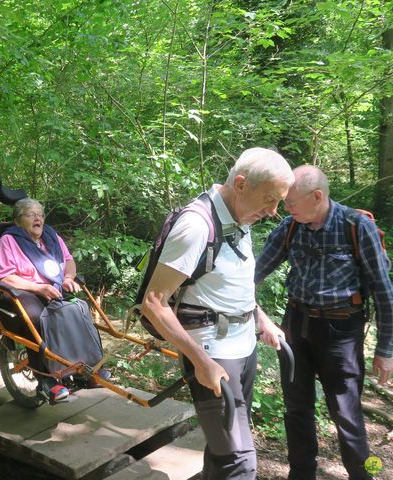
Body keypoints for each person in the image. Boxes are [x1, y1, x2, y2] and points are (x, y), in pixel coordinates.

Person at [141, 147, 293, 479]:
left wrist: (261, 318)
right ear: (241, 184)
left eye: (278, 202)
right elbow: (154, 303)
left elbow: (231, 283)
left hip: (243, 347)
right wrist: (201, 362)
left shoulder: (239, 217)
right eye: (269, 199)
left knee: (222, 450)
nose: (273, 211)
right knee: (238, 460)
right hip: (212, 354)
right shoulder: (196, 226)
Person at [255, 165, 393, 480]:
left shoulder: (356, 227)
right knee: (296, 408)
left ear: (317, 196)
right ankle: (301, 474)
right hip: (296, 326)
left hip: (342, 332)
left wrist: (385, 349)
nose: (284, 208)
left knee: (348, 415)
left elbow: (385, 293)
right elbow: (254, 273)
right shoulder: (291, 227)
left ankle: (366, 474)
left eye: (290, 202)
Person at [0, 198, 104, 403]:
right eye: (30, 214)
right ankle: (47, 382)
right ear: (18, 221)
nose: (38, 218)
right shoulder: (9, 240)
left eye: (40, 214)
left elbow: (68, 260)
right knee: (37, 319)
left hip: (53, 288)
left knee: (78, 309)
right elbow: (4, 275)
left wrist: (68, 278)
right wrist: (38, 287)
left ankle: (86, 369)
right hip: (24, 290)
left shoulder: (51, 237)